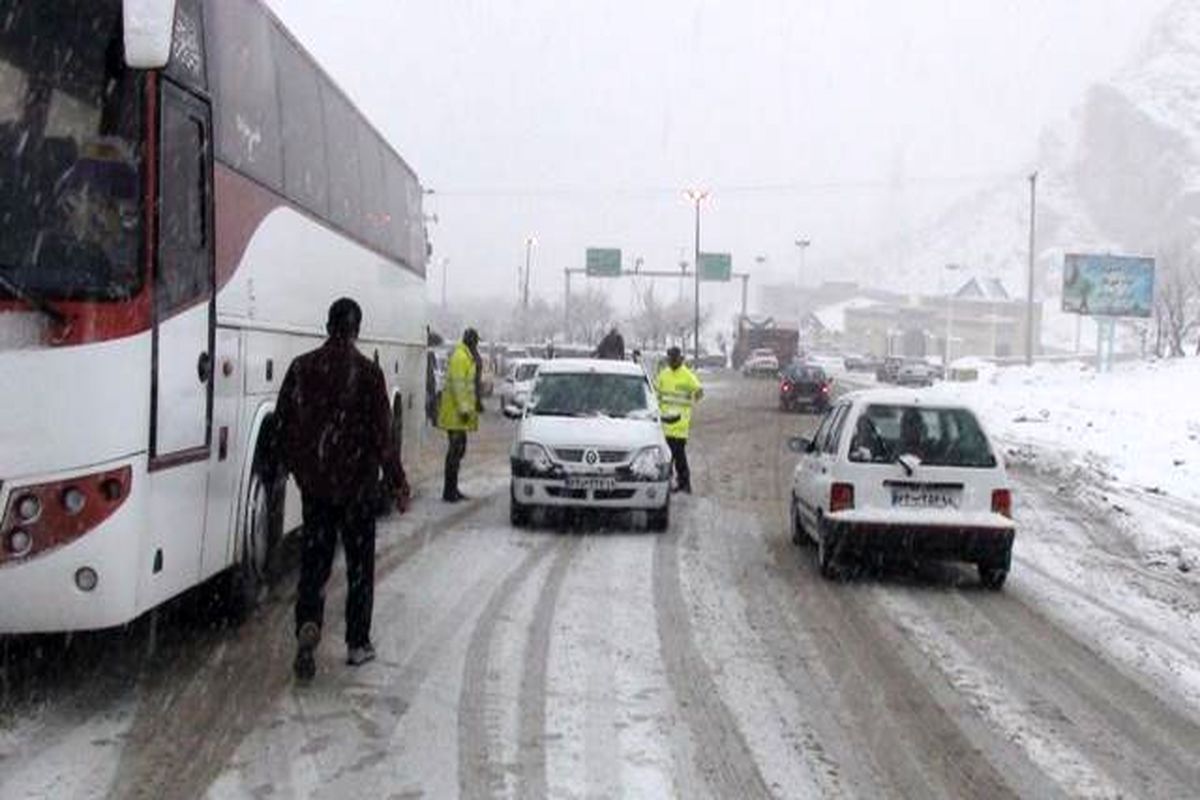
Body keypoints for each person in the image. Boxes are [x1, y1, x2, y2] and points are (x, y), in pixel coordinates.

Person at [275, 298, 410, 681]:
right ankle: (356, 643)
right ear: (357, 329)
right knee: (358, 569)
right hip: (357, 490)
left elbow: (282, 427)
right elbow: (383, 437)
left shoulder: (302, 368)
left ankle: (308, 623)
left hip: (316, 489)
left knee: (313, 564)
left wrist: (299, 470)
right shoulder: (368, 374)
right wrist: (397, 483)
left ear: (327, 324)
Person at [439, 328, 481, 502]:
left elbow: (469, 385)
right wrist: (464, 409)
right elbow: (458, 386)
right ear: (470, 341)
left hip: (460, 415)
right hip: (455, 414)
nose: (477, 345)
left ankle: (453, 489)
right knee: (455, 452)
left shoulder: (467, 357)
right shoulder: (460, 357)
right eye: (476, 342)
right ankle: (449, 491)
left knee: (459, 451)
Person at [655, 346, 704, 493]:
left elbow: (699, 392)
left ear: (679, 358)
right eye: (669, 358)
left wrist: (693, 398)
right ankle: (674, 483)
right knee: (668, 457)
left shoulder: (687, 375)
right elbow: (656, 394)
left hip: (680, 426)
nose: (670, 360)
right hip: (664, 424)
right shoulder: (663, 375)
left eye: (673, 358)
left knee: (677, 457)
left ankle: (683, 484)